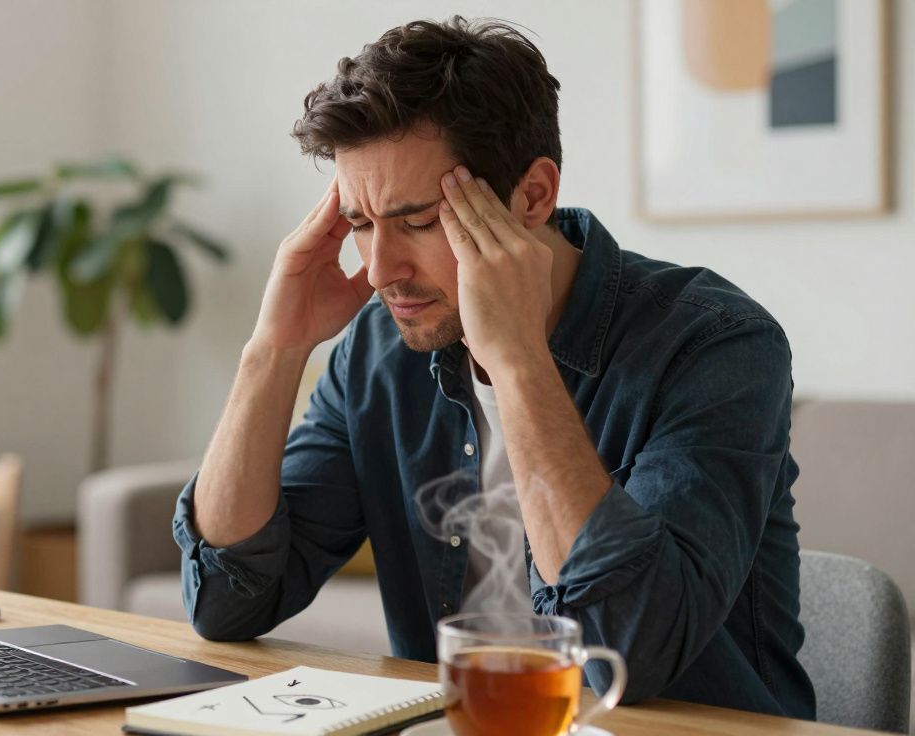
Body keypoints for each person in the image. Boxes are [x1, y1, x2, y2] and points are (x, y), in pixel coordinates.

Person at [171, 16, 815, 719]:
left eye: (417, 222)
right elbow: (226, 603)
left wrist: (515, 361)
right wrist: (274, 349)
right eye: (359, 223)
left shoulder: (715, 345)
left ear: (533, 196)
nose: (380, 270)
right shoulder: (379, 352)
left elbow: (626, 650)